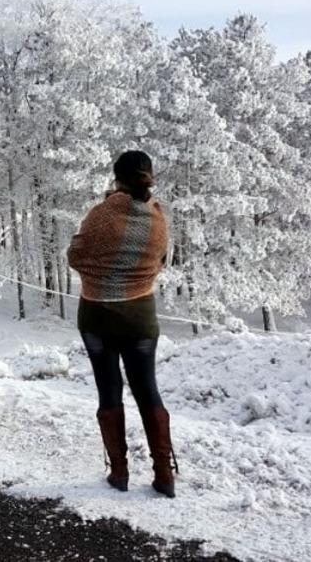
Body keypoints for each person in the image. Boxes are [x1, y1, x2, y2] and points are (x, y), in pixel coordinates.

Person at [67, 150, 178, 497]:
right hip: (140, 316)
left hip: (97, 315)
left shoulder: (102, 216)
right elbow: (160, 260)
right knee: (148, 390)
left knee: (109, 390)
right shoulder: (158, 219)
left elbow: (76, 256)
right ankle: (164, 474)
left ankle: (119, 472)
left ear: (116, 178)